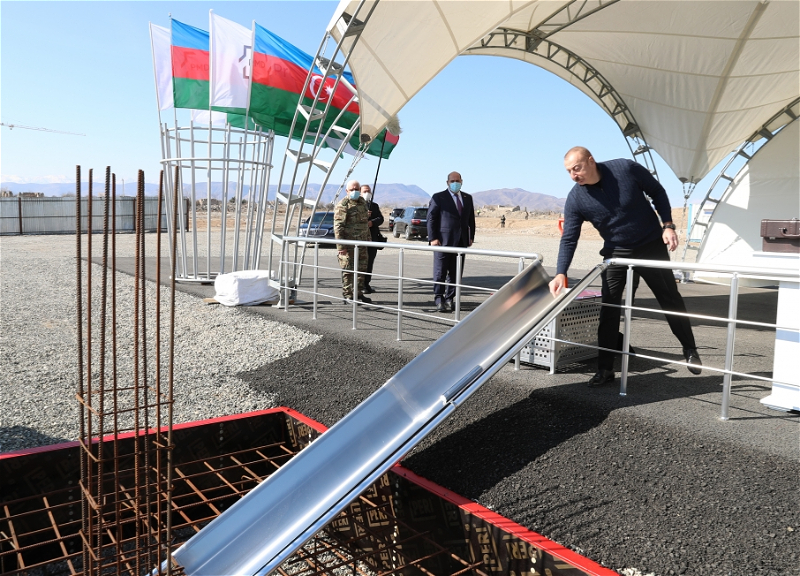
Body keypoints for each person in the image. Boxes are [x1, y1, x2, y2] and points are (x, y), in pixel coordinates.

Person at [549, 147, 702, 387]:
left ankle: (690, 349)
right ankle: (605, 369)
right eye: (569, 171)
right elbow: (569, 237)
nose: (573, 176)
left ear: (591, 161)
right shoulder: (576, 198)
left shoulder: (625, 168)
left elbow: (657, 192)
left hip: (651, 247)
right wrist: (561, 272)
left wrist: (668, 225)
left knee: (669, 298)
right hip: (617, 254)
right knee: (609, 309)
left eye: (576, 168)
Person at [427, 171, 476, 312]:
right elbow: (432, 219)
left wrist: (471, 236)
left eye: (458, 180)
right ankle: (439, 298)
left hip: (461, 241)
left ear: (462, 181)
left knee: (455, 273)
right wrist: (433, 238)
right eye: (452, 181)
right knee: (440, 272)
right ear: (447, 182)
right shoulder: (439, 197)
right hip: (443, 241)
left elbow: (470, 219)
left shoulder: (467, 198)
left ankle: (450, 298)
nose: (455, 183)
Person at [334, 180, 372, 304]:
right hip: (348, 245)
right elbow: (339, 226)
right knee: (348, 270)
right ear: (347, 191)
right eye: (352, 189)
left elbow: (365, 224)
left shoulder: (362, 203)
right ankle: (348, 295)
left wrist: (369, 240)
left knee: (361, 270)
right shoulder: (343, 204)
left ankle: (359, 293)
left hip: (362, 243)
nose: (355, 191)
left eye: (357, 189)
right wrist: (341, 246)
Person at [361, 184, 384, 294]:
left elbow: (381, 218)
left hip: (373, 238)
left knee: (370, 262)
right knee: (361, 263)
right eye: (365, 191)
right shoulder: (357, 206)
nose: (367, 193)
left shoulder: (374, 206)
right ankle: (360, 285)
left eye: (369, 191)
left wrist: (372, 222)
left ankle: (367, 283)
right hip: (361, 239)